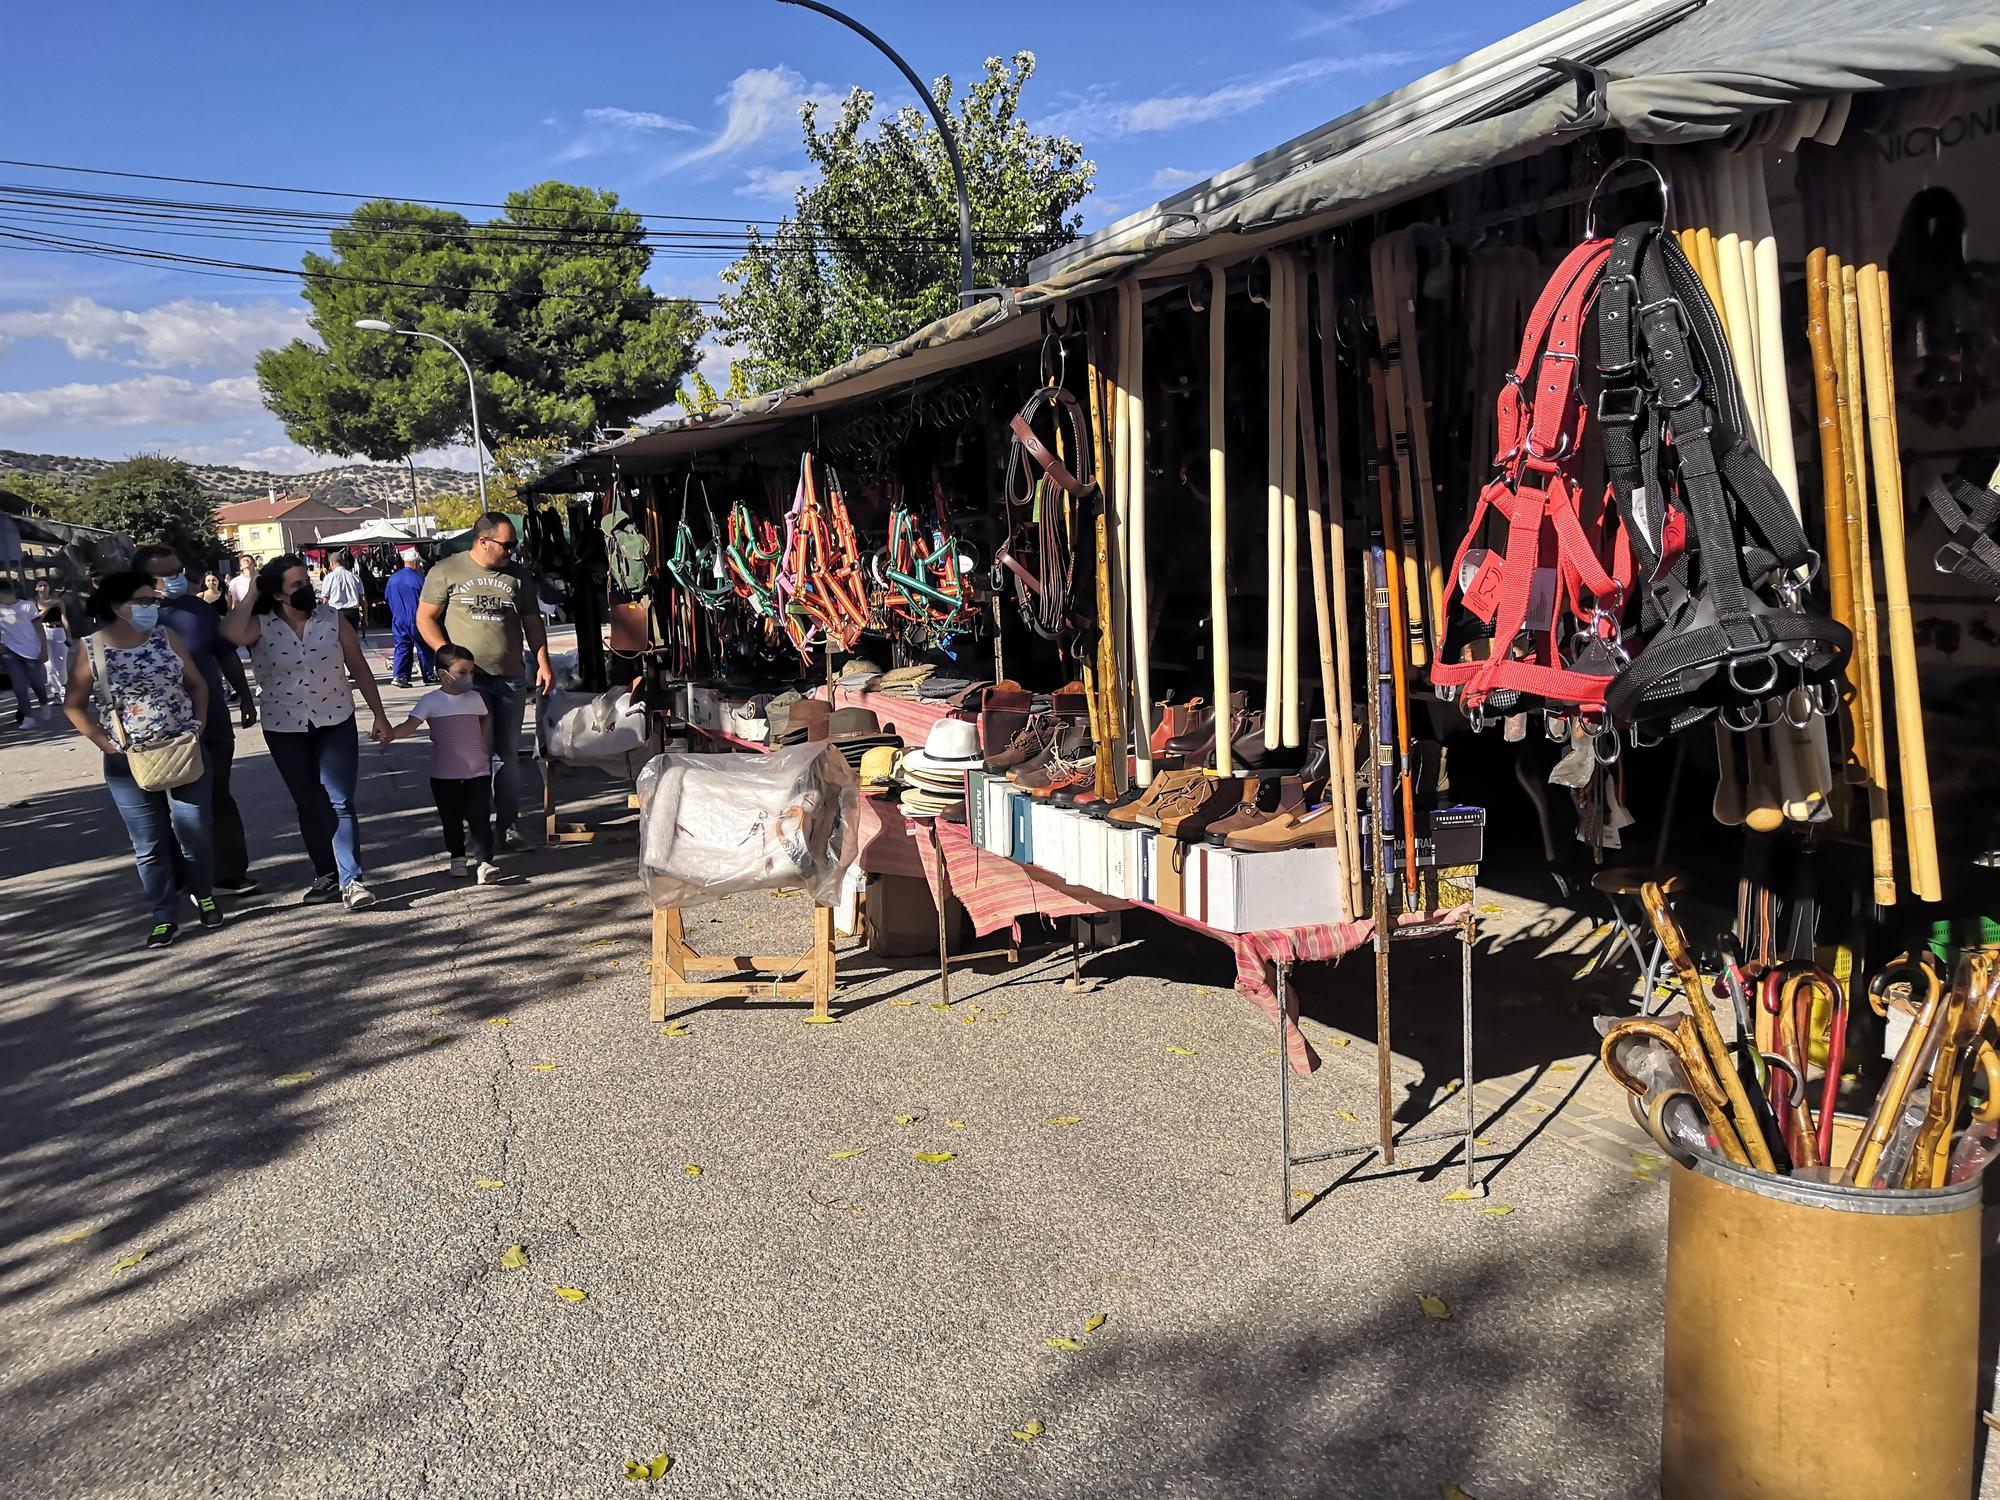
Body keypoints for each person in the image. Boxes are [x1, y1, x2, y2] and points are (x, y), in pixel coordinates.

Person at [62, 570, 221, 948]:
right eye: (145, 601)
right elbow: (74, 705)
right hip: (127, 761)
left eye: (154, 601)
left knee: (194, 834)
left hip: (182, 750)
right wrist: (106, 744)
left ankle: (205, 894)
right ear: (119, 607)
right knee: (148, 844)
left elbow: (197, 682)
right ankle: (164, 915)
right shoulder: (91, 648)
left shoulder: (166, 637)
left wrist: (197, 723)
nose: (154, 606)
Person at [222, 554, 391, 910]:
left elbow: (358, 667)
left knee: (340, 802)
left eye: (307, 582)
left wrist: (380, 715)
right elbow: (230, 633)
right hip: (285, 726)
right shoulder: (260, 624)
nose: (306, 589)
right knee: (309, 804)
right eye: (297, 584)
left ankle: (352, 880)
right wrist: (253, 591)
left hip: (335, 720)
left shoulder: (331, 619)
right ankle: (327, 874)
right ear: (279, 593)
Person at [417, 512, 554, 851]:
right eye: (507, 545)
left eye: (514, 545)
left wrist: (543, 663)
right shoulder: (446, 570)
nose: (512, 551)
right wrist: (447, 657)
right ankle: (473, 827)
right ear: (483, 541)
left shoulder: (518, 575)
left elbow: (533, 623)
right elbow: (425, 618)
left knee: (507, 755)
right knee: (472, 756)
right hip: (467, 684)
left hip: (508, 678)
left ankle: (508, 825)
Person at [134, 543, 259, 896]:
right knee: (163, 805)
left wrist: (246, 696)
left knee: (218, 795)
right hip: (157, 731)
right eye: (166, 574)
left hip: (212, 724)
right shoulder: (129, 618)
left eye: (178, 571)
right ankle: (177, 878)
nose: (176, 579)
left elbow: (224, 653)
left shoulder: (197, 610)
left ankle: (230, 872)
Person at [385, 643, 500, 883]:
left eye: (471, 672)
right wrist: (391, 734)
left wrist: (479, 741)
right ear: (442, 674)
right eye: (462, 672)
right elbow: (410, 725)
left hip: (477, 771)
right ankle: (457, 857)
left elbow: (485, 717)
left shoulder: (475, 698)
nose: (468, 678)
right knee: (451, 819)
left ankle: (484, 862)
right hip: (445, 775)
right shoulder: (431, 701)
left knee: (480, 817)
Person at [0, 576, 55, 727]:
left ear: (5, 593)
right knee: (19, 686)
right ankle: (28, 717)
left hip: (32, 651)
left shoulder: (26, 606)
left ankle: (44, 703)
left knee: (37, 684)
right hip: (10, 652)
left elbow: (39, 629)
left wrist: (43, 649)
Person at [385, 547, 434, 687]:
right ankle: (429, 675)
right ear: (415, 563)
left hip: (398, 619)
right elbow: (428, 600)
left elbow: (387, 597)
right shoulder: (420, 579)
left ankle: (400, 676)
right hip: (416, 618)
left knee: (402, 647)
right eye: (419, 563)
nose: (420, 566)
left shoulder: (393, 579)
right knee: (423, 647)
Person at [321, 549, 365, 637]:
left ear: (332, 563)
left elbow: (325, 600)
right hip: (353, 613)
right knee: (352, 640)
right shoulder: (355, 577)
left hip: (336, 613)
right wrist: (365, 617)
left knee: (337, 640)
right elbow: (363, 599)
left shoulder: (329, 578)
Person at [38, 603, 69, 701]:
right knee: (50, 666)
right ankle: (56, 693)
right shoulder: (33, 602)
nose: (43, 587)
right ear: (36, 588)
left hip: (59, 631)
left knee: (61, 664)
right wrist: (47, 607)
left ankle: (64, 686)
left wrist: (69, 636)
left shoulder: (57, 601)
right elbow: (36, 618)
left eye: (45, 585)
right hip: (44, 632)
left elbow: (64, 618)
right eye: (40, 585)